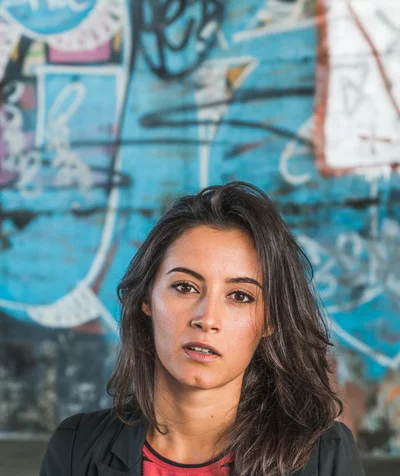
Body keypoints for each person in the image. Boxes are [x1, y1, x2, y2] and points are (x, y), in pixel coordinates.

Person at [40, 181, 366, 475]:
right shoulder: (76, 449)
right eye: (185, 287)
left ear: (270, 321)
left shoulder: (324, 456)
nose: (207, 318)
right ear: (147, 299)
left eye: (240, 296)